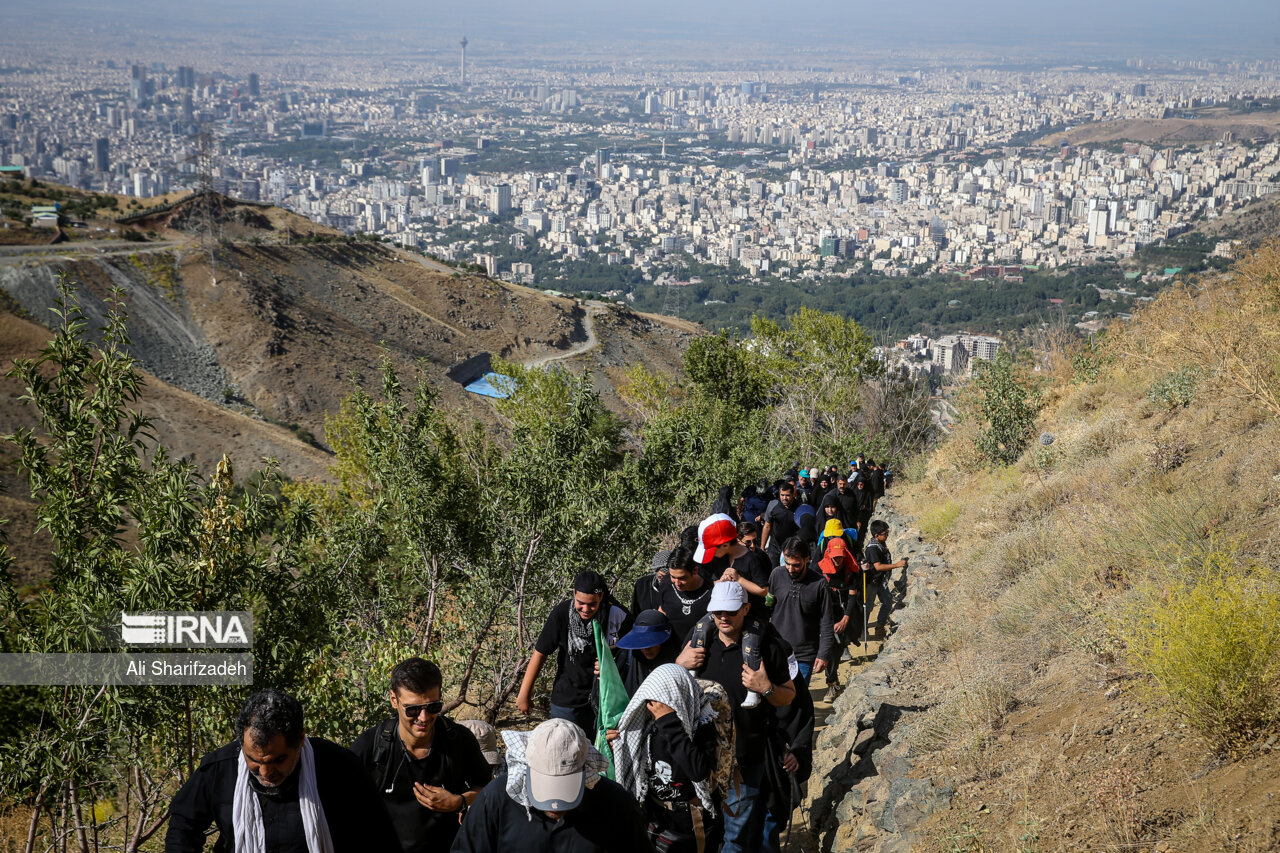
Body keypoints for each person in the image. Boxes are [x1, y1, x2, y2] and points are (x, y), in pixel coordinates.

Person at [165, 689, 399, 853]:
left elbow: (378, 838)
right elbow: (183, 826)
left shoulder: (340, 768)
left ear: (300, 740)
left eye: (278, 760)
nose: (266, 772)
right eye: (254, 760)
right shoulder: (220, 769)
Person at [676, 582, 796, 853]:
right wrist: (679, 664)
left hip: (744, 761)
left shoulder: (768, 647)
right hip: (700, 760)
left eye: (730, 611)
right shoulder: (696, 645)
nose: (723, 617)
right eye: (717, 611)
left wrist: (765, 688)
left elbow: (788, 695)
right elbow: (671, 689)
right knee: (709, 833)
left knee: (735, 836)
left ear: (746, 609)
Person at [350, 658, 493, 853]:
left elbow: (488, 788)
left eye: (433, 707)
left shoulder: (458, 739)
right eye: (413, 709)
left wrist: (458, 801)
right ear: (394, 700)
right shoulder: (370, 747)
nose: (423, 718)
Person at [449, 719, 651, 853]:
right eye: (547, 787)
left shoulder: (617, 804)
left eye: (564, 787)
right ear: (527, 770)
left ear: (585, 770)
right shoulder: (496, 800)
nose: (555, 805)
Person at [613, 664, 722, 853]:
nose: (657, 705)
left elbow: (698, 771)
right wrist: (615, 745)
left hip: (694, 824)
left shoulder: (701, 724)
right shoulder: (646, 727)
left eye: (665, 699)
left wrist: (670, 723)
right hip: (659, 820)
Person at [517, 571, 629, 736]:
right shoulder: (562, 614)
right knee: (565, 748)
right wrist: (524, 694)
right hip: (568, 697)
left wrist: (611, 663)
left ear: (601, 597)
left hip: (605, 699)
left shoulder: (616, 615)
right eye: (580, 603)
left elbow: (632, 651)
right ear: (574, 594)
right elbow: (540, 653)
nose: (585, 609)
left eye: (592, 604)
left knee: (599, 753)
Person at [767, 538, 836, 684]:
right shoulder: (776, 575)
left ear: (807, 559)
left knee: (797, 699)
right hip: (777, 651)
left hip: (804, 656)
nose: (791, 569)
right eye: (787, 564)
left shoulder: (820, 584)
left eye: (796, 565)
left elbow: (826, 621)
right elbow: (768, 608)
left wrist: (823, 654)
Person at [696, 513, 770, 614]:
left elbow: (764, 590)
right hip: (724, 613)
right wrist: (719, 583)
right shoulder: (718, 558)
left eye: (712, 550)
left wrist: (739, 579)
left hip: (750, 614)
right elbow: (704, 582)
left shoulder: (752, 559)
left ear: (725, 545)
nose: (711, 554)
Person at [817, 535, 862, 690]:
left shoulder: (851, 571)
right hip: (823, 613)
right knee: (828, 649)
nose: (837, 560)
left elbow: (852, 597)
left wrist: (845, 620)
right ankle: (831, 682)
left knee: (837, 649)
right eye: (834, 557)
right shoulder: (819, 571)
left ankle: (832, 679)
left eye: (840, 557)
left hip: (841, 613)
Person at [617, 609, 683, 696]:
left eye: (650, 644)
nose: (645, 649)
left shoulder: (680, 663)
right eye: (640, 644)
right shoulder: (627, 658)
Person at [658, 547, 713, 644]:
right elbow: (662, 611)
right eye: (673, 577)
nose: (677, 583)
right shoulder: (666, 583)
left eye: (682, 578)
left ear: (695, 570)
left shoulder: (711, 591)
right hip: (670, 648)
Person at [863, 520, 908, 634]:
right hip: (872, 582)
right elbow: (877, 566)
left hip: (881, 581)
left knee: (887, 602)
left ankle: (879, 626)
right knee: (868, 607)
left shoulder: (880, 544)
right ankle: (862, 629)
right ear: (876, 535)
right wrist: (896, 565)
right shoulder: (872, 549)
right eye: (885, 534)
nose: (887, 536)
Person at [761, 481, 800, 566]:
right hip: (775, 546)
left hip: (792, 546)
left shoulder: (799, 507)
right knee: (773, 570)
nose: (784, 498)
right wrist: (762, 547)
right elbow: (767, 526)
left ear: (793, 494)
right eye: (782, 495)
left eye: (787, 495)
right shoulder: (773, 505)